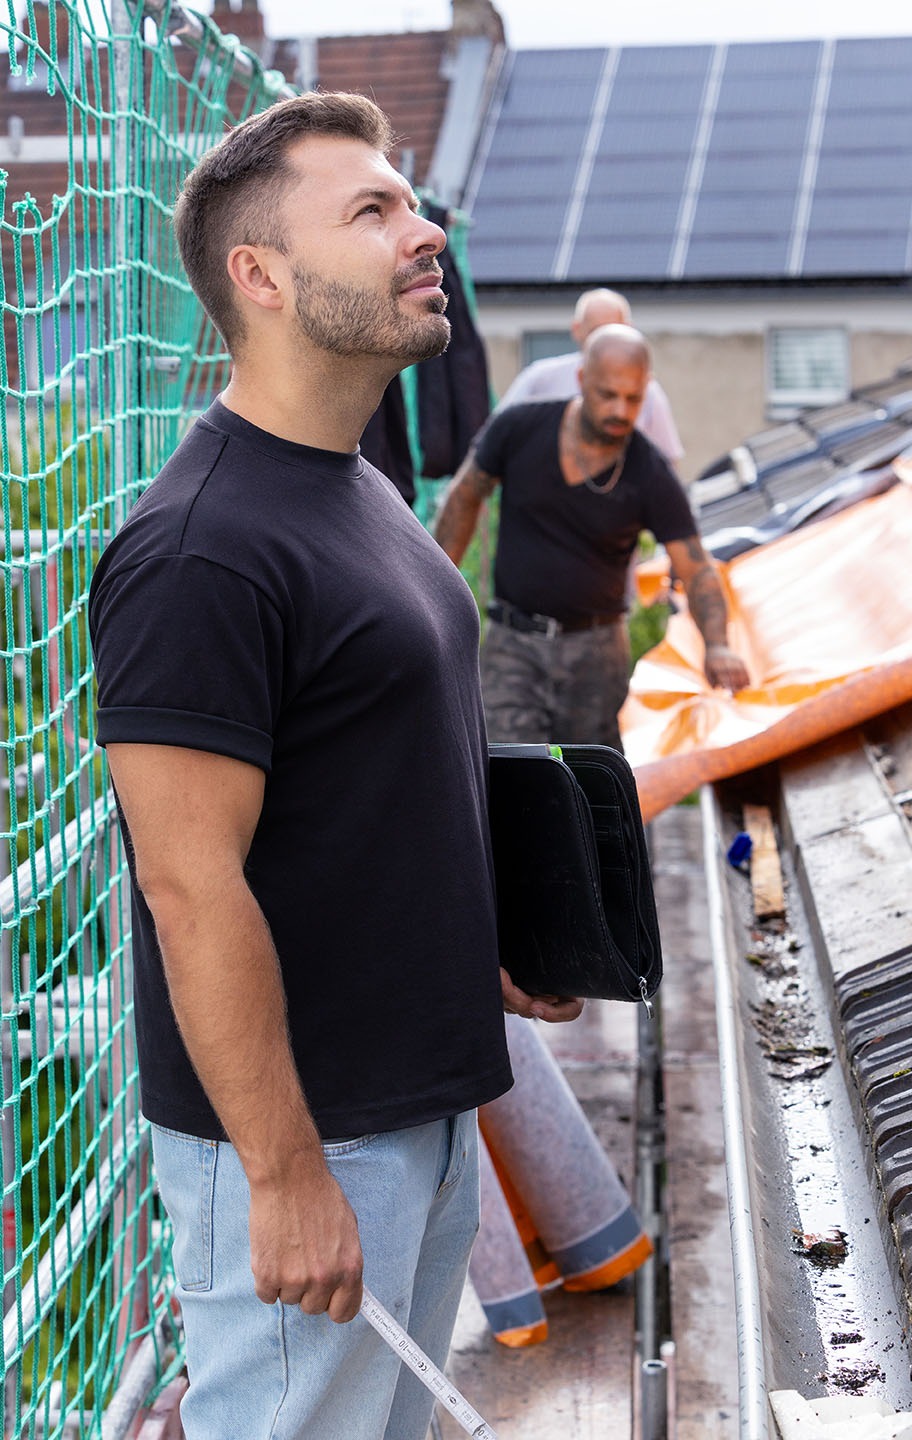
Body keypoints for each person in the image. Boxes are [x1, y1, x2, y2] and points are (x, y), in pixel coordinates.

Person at [88, 92, 582, 1440]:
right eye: (371, 211)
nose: (426, 233)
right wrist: (285, 1175)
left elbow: (360, 785)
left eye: (410, 202)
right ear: (260, 275)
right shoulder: (198, 552)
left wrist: (475, 945)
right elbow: (189, 889)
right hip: (316, 1140)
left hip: (419, 1107)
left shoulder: (354, 484)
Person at [434, 324, 749, 751]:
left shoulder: (650, 473)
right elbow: (465, 495)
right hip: (514, 641)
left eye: (633, 398)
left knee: (587, 775)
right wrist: (434, 589)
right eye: (608, 395)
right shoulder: (519, 428)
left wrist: (718, 645)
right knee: (509, 768)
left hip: (596, 654)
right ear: (582, 379)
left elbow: (696, 568)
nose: (620, 410)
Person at [495, 287, 684, 463]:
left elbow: (667, 461)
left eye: (631, 399)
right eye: (596, 332)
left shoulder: (647, 391)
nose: (619, 410)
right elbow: (496, 435)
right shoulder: (539, 380)